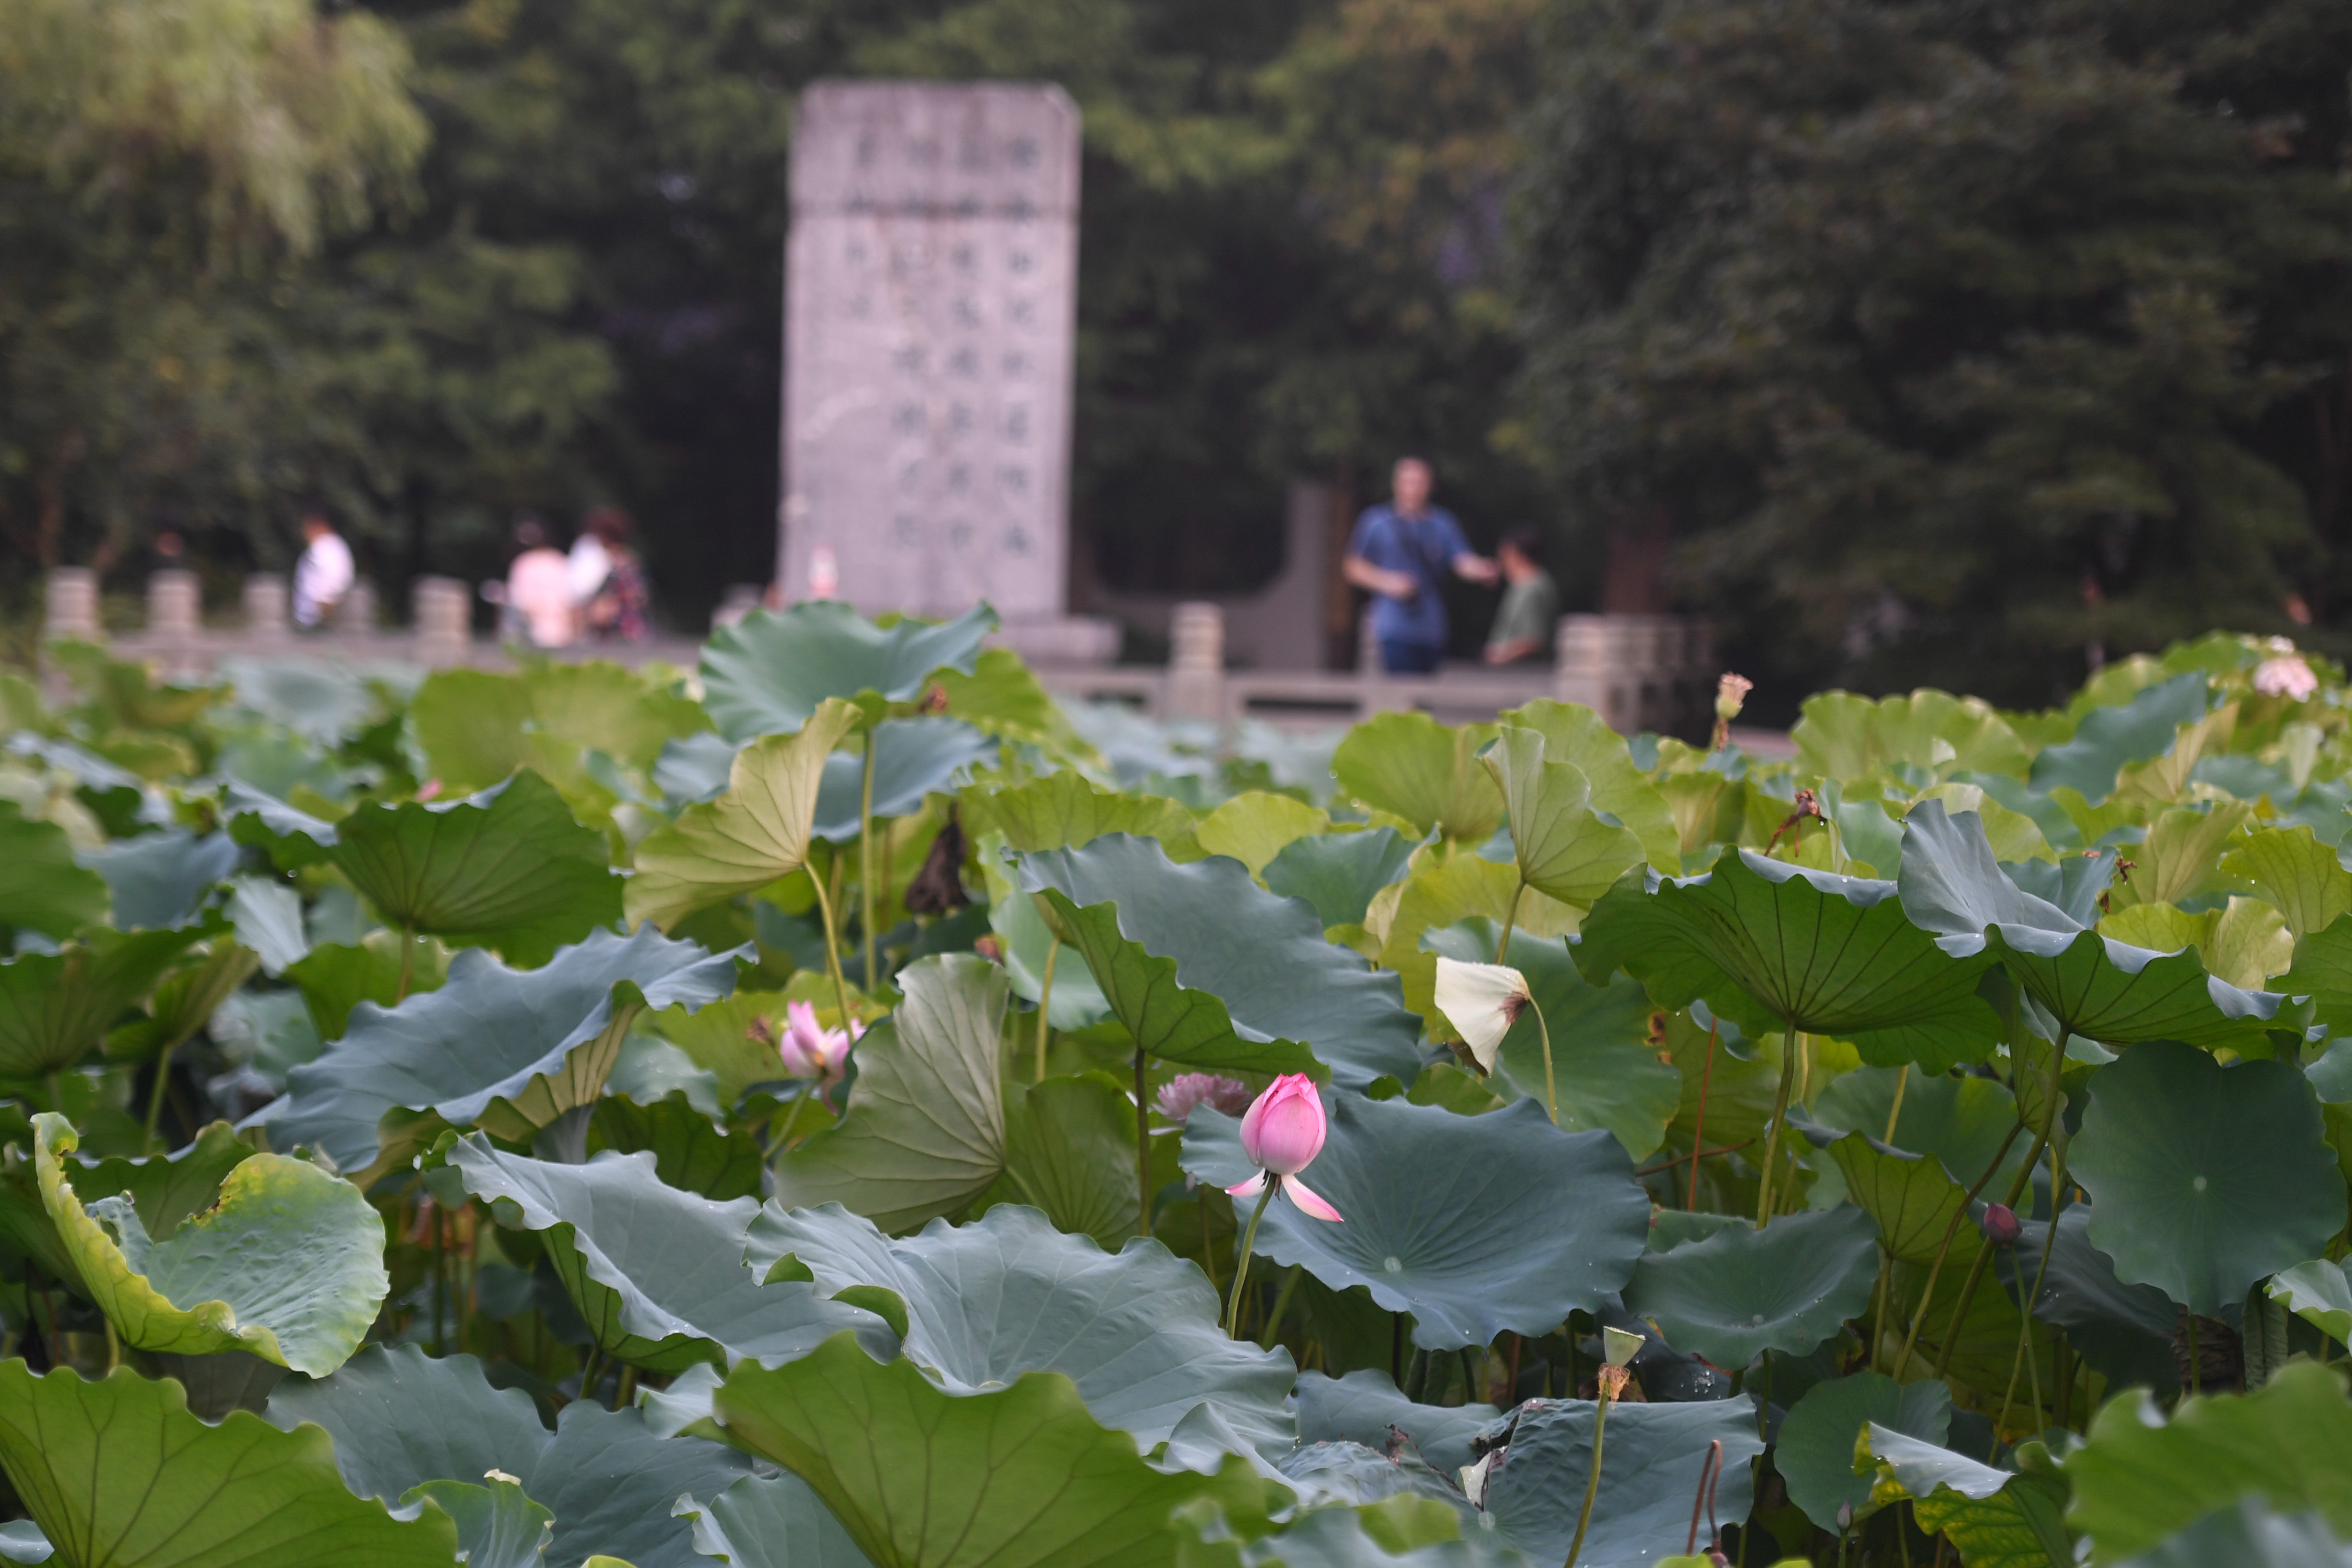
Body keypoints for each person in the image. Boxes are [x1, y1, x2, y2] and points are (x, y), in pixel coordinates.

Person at [1342, 457, 1498, 674]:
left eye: (1419, 482)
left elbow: (1461, 561)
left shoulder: (1443, 523)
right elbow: (1352, 567)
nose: (1413, 488)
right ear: (1396, 484)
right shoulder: (1375, 521)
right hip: (1392, 627)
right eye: (1408, 481)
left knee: (1423, 700)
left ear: (1430, 485)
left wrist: (1482, 569)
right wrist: (1389, 583)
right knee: (1401, 696)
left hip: (1431, 629)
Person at [489, 514, 576, 647]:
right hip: (540, 627)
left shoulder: (531, 562)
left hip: (547, 626)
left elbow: (520, 600)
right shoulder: (555, 560)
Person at [1482, 530, 1561, 666]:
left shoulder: (1533, 588)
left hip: (1522, 676)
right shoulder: (1520, 586)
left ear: (1517, 554)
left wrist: (1501, 656)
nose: (1501, 562)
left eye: (1504, 555)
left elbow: (1534, 641)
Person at [573, 506, 649, 641]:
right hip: (622, 631)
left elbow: (633, 598)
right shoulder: (625, 559)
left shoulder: (618, 563)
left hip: (619, 633)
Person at [292, 506, 354, 629]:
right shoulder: (331, 546)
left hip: (316, 621)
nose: (304, 532)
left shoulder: (324, 548)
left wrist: (324, 609)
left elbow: (334, 579)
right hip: (314, 619)